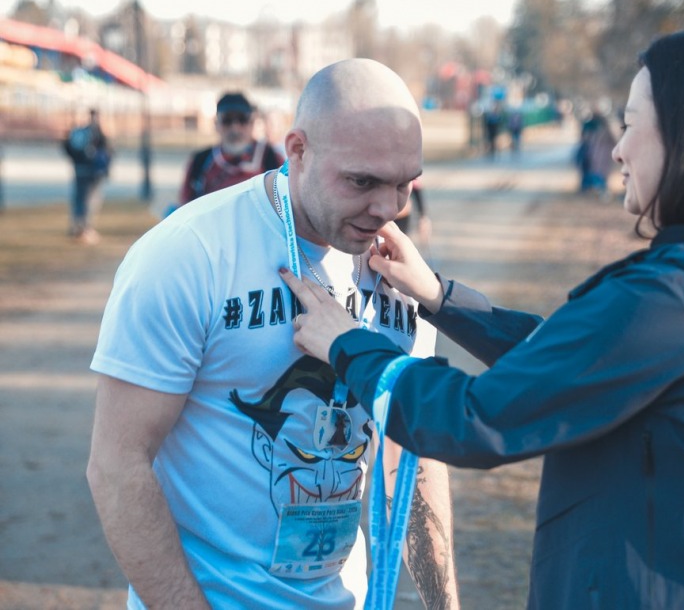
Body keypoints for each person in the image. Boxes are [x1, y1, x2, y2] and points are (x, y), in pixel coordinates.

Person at [281, 25, 684, 609]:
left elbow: (475, 418)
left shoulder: (681, 300)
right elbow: (578, 360)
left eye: (630, 124)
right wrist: (441, 298)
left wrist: (348, 343)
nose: (616, 149)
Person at [87, 59, 459, 609]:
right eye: (362, 181)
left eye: (404, 184)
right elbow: (117, 465)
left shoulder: (400, 273)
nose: (385, 209)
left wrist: (445, 604)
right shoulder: (189, 254)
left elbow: (411, 456)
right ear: (298, 150)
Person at [178, 91, 284, 206]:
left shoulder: (271, 158)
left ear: (252, 123)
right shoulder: (201, 162)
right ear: (216, 124)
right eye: (227, 120)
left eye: (242, 119)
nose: (235, 128)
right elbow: (186, 206)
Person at [63, 108, 112, 243]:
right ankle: (85, 228)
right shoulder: (97, 132)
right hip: (93, 172)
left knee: (79, 199)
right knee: (90, 200)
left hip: (79, 169)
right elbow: (106, 151)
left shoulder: (78, 131)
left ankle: (76, 226)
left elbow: (66, 147)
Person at [574, 109, 617, 197]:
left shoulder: (603, 132)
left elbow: (612, 143)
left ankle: (599, 190)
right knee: (595, 174)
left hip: (601, 158)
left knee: (599, 175)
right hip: (596, 157)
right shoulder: (594, 130)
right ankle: (591, 189)